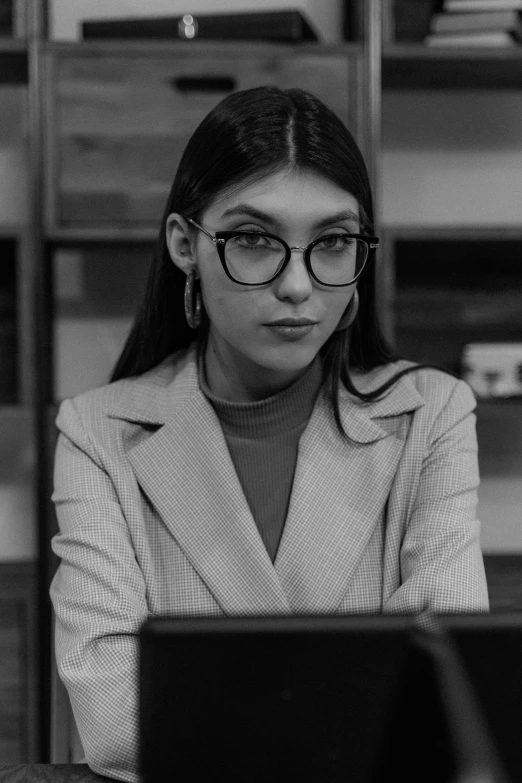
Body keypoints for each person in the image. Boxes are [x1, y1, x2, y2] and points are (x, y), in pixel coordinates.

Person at [50, 86, 489, 782]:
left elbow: (445, 694)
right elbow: (112, 720)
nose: (295, 283)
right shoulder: (97, 432)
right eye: (255, 239)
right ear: (185, 245)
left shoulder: (431, 416)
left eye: (333, 242)